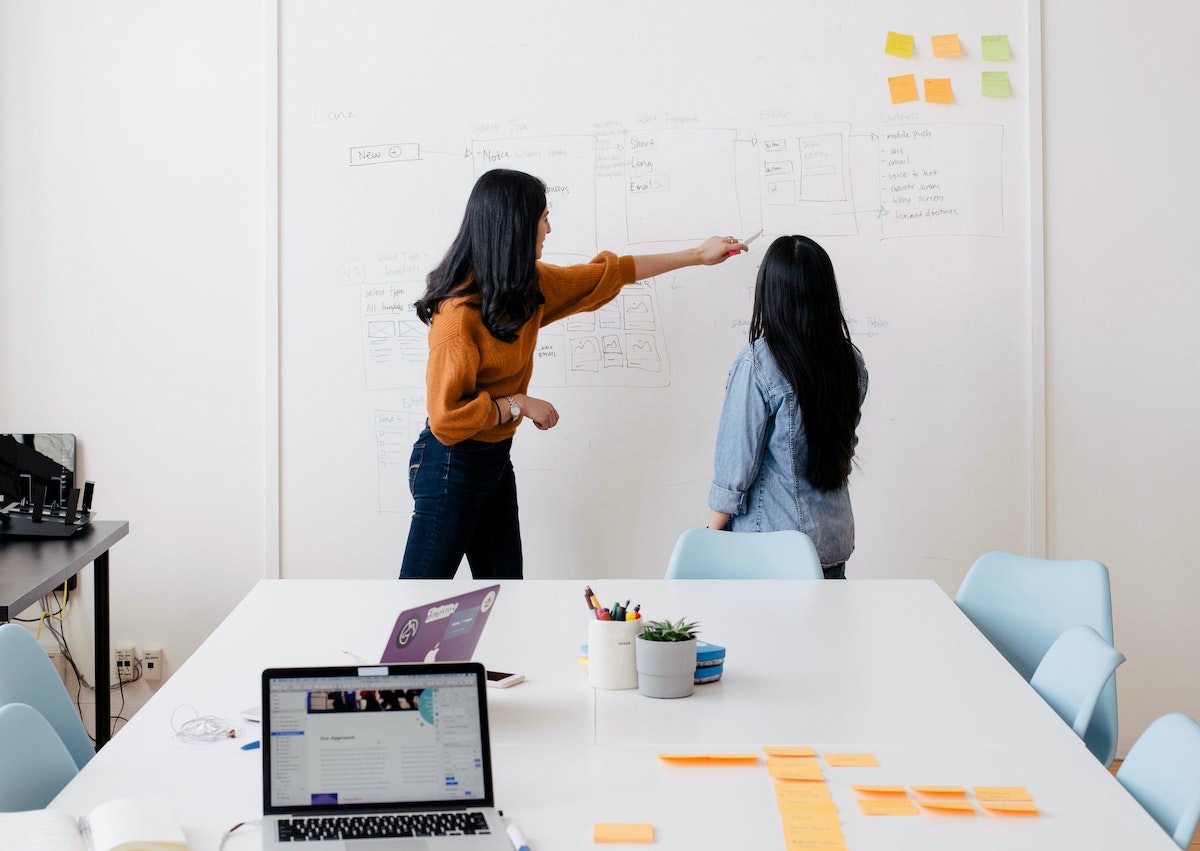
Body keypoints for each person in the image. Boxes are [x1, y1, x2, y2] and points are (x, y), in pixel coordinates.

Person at [401, 168, 745, 579]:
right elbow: (445, 420)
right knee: (420, 602)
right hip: (448, 465)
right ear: (515, 226)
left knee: (507, 594)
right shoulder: (457, 319)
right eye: (542, 217)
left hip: (492, 460)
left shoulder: (525, 288)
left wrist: (696, 255)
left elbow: (609, 274)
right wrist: (517, 404)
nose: (549, 227)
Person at [706, 235, 867, 579]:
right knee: (824, 633)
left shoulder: (758, 363)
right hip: (832, 542)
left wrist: (709, 536)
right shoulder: (849, 361)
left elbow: (736, 467)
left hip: (771, 547)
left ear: (770, 291)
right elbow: (844, 448)